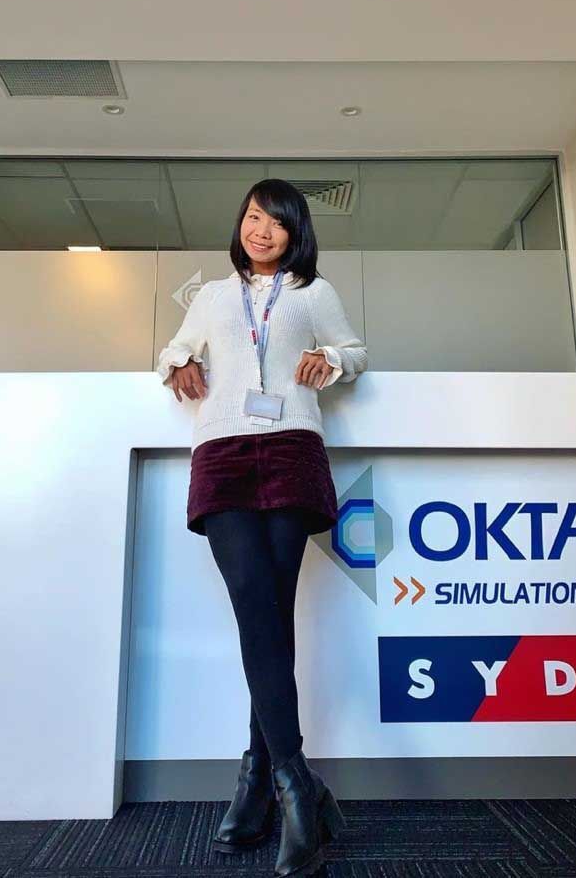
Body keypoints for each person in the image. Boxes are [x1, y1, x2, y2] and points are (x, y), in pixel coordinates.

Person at [156, 178, 368, 878]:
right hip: (221, 454)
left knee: (268, 620)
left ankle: (257, 780)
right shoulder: (213, 295)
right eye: (252, 216)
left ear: (294, 230)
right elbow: (174, 348)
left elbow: (353, 350)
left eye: (275, 221)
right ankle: (295, 783)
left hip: (290, 452)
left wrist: (330, 361)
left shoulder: (313, 292)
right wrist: (180, 361)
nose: (261, 230)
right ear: (240, 221)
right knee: (257, 607)